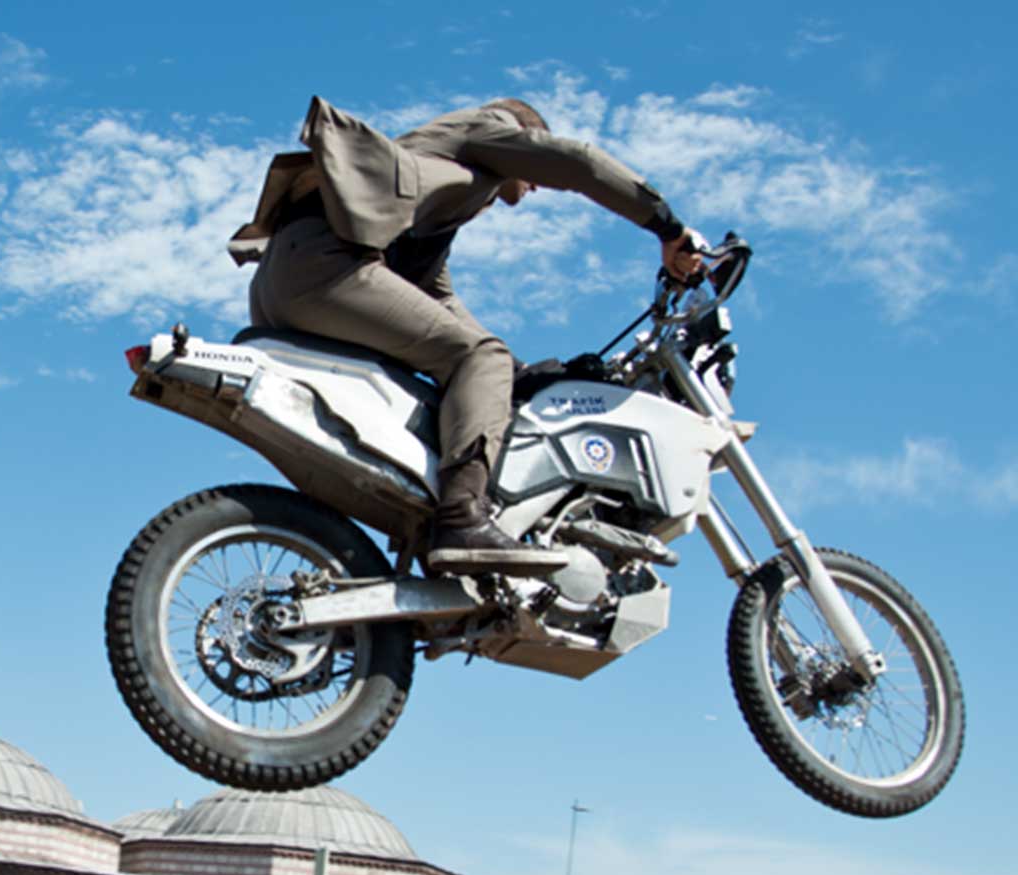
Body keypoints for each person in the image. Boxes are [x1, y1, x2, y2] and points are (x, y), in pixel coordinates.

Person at [230, 96, 701, 576]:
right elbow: (576, 163)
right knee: (480, 358)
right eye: (529, 160)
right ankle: (461, 519)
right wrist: (667, 227)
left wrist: (519, 374)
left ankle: (419, 538)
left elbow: (437, 299)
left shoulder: (436, 186)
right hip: (324, 267)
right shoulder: (488, 128)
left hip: (284, 279)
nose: (533, 185)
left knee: (476, 364)